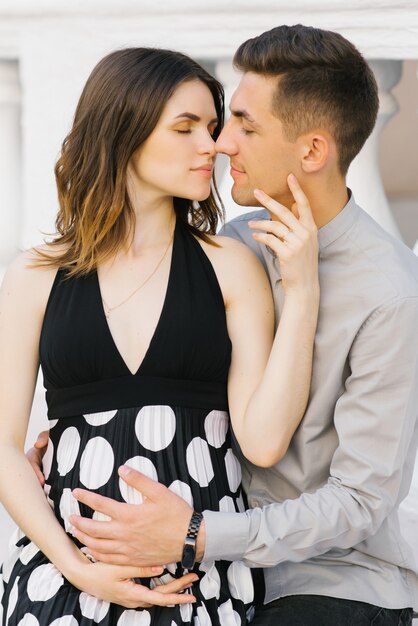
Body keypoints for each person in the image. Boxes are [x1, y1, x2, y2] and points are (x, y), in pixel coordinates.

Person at [31, 25, 418, 626]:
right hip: (203, 555)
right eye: (213, 126)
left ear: (312, 152)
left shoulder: (387, 293)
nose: (220, 145)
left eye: (242, 125)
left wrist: (197, 536)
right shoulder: (227, 247)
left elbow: (360, 502)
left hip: (326, 575)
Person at [0, 47, 320, 625]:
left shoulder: (230, 266)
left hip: (197, 580)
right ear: (123, 132)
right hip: (66, 576)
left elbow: (265, 441)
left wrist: (301, 294)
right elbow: (1, 446)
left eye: (213, 127)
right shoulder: (36, 275)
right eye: (186, 128)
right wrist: (76, 568)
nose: (212, 146)